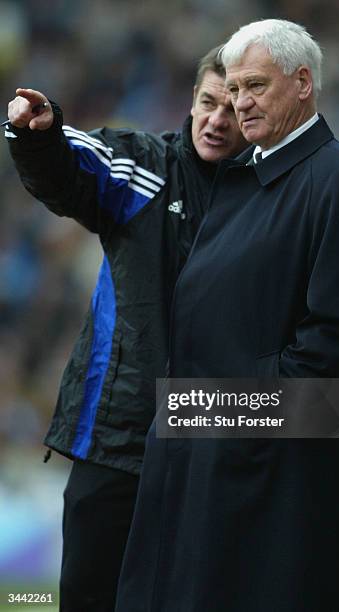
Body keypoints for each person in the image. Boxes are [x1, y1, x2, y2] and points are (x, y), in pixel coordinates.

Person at [115, 20, 339, 612]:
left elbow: (332, 346)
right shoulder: (238, 178)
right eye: (233, 89)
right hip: (206, 449)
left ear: (303, 82)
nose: (240, 103)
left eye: (255, 86)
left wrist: (226, 426)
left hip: (267, 471)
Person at [5, 46, 247, 612]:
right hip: (117, 439)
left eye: (232, 109)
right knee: (90, 597)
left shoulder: (273, 195)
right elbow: (71, 164)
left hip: (216, 437)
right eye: (208, 102)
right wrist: (40, 135)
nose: (216, 119)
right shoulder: (143, 166)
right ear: (190, 101)